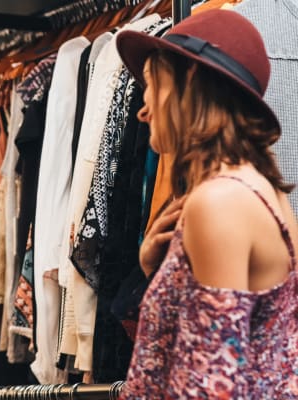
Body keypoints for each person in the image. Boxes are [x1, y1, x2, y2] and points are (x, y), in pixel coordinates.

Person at [115, 9, 298, 398]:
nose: (142, 110)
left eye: (150, 85)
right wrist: (155, 269)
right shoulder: (263, 191)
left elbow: (213, 384)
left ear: (189, 80)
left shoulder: (219, 202)